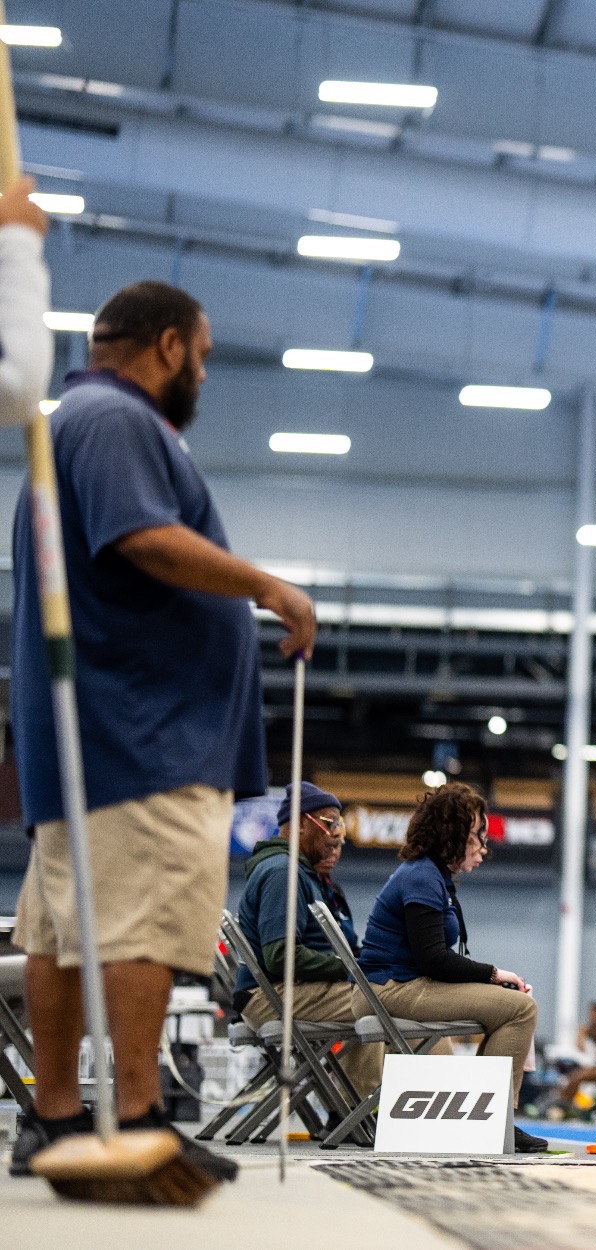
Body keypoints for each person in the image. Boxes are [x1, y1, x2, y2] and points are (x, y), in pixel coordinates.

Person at [10, 273, 321, 1179]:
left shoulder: (71, 423)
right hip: (142, 728)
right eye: (207, 356)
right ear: (171, 346)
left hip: (93, 732)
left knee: (64, 927)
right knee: (139, 924)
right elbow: (140, 536)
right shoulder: (115, 422)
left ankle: (58, 1121)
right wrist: (265, 585)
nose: (206, 376)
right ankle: (135, 1120)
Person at [357, 782, 547, 1153]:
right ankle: (495, 1121)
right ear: (453, 833)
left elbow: (434, 959)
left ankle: (492, 1119)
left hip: (394, 986)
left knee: (510, 1003)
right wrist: (494, 974)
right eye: (478, 835)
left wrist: (493, 979)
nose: (483, 847)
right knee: (521, 1009)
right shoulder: (422, 876)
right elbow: (434, 959)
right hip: (391, 990)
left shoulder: (427, 875)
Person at [231, 781, 380, 1096]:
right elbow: (281, 957)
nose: (337, 833)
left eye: (339, 824)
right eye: (329, 823)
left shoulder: (298, 873)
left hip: (279, 992)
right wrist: (351, 968)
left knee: (383, 996)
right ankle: (356, 1108)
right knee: (383, 1001)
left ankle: (352, 1104)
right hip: (269, 996)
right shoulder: (283, 873)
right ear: (300, 824)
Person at [554, 1001, 596, 1114]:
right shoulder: (588, 1028)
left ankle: (565, 1104)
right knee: (574, 1076)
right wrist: (581, 1037)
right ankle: (565, 1102)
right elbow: (579, 1044)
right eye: (593, 1015)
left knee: (579, 1076)